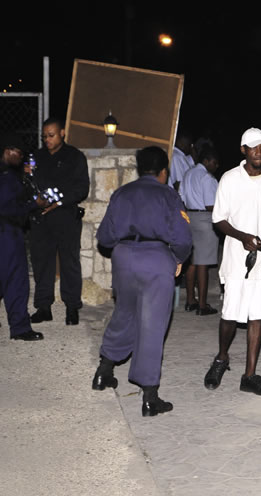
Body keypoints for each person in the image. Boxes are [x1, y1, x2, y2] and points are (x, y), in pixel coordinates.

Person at [91, 146, 192, 417]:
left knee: (124, 313)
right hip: (156, 260)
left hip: (124, 259)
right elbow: (182, 238)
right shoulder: (168, 195)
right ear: (163, 172)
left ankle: (103, 372)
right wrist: (178, 259)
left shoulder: (122, 194)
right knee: (152, 325)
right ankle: (149, 396)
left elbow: (104, 237)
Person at [203, 128, 261, 396]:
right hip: (237, 256)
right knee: (230, 314)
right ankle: (222, 358)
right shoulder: (230, 178)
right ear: (243, 150)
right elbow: (218, 218)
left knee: (258, 314)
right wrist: (241, 236)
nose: (259, 151)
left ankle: (250, 375)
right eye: (254, 147)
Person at [27, 118, 89, 326]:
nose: (47, 140)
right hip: (41, 217)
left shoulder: (75, 156)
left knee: (69, 262)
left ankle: (72, 307)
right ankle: (43, 307)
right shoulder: (37, 156)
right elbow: (28, 185)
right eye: (44, 136)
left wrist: (59, 202)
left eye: (51, 135)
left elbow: (82, 188)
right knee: (41, 262)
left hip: (65, 216)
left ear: (62, 133)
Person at [0, 134, 47, 341]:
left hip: (9, 232)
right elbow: (7, 207)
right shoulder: (7, 176)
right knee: (15, 281)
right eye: (15, 151)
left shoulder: (11, 174)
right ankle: (19, 328)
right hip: (7, 233)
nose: (19, 155)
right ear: (5, 151)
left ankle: (19, 327)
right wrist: (33, 205)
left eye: (21, 152)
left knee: (11, 280)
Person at [180, 147, 220, 315]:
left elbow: (181, 197)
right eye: (214, 162)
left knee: (193, 262)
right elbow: (211, 204)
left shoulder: (187, 174)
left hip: (189, 217)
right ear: (206, 161)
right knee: (203, 263)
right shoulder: (207, 178)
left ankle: (190, 300)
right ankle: (202, 305)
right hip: (205, 219)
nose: (216, 166)